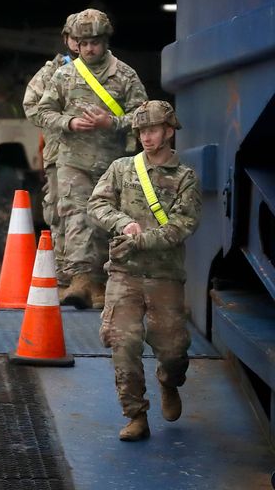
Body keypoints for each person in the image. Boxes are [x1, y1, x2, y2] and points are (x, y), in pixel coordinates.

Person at [87, 100, 201, 441]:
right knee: (123, 343)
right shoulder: (122, 168)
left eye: (152, 130)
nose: (146, 137)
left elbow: (183, 225)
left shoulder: (185, 177)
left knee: (173, 351)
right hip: (124, 274)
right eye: (141, 132)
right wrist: (122, 223)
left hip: (165, 276)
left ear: (168, 131)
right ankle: (136, 415)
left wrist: (141, 240)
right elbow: (97, 204)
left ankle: (169, 380)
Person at [35, 8, 148, 308]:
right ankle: (80, 279)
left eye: (94, 42)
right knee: (74, 216)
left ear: (105, 41)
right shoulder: (64, 75)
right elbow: (43, 112)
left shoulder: (124, 75)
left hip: (112, 162)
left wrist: (111, 122)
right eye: (83, 43)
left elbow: (143, 115)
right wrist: (69, 123)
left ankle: (101, 281)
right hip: (73, 160)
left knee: (105, 220)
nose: (88, 49)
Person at [23, 13, 79, 288]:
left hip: (102, 153)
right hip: (60, 153)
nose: (81, 43)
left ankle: (95, 275)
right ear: (66, 39)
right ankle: (64, 273)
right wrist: (62, 122)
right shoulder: (52, 71)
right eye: (76, 38)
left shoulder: (111, 70)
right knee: (60, 208)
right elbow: (31, 106)